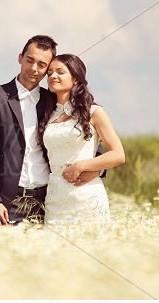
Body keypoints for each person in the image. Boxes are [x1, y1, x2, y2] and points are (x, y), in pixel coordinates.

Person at [0, 35, 105, 226]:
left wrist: (98, 169)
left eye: (42, 65)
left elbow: (88, 131)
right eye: (30, 60)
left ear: (47, 70)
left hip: (49, 199)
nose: (34, 69)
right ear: (20, 57)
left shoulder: (52, 99)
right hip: (7, 201)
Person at [39, 54, 125, 224]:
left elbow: (118, 154)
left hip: (86, 195)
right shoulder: (47, 115)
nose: (53, 76)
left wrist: (82, 166)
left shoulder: (94, 112)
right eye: (49, 73)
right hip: (54, 197)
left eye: (60, 72)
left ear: (76, 79)